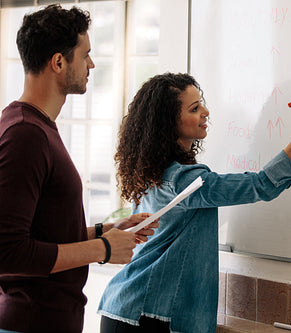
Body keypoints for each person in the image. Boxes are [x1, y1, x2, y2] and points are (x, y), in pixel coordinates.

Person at [97, 72, 291, 332]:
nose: (206, 112)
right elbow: (263, 185)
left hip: (127, 308)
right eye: (195, 108)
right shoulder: (185, 181)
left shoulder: (154, 172)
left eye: (202, 104)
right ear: (168, 122)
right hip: (146, 316)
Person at [0, 5, 158, 333]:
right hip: (30, 322)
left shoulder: (37, 128)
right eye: (85, 54)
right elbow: (8, 251)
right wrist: (102, 249)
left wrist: (108, 231)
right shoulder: (25, 134)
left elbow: (44, 238)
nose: (92, 64)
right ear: (58, 62)